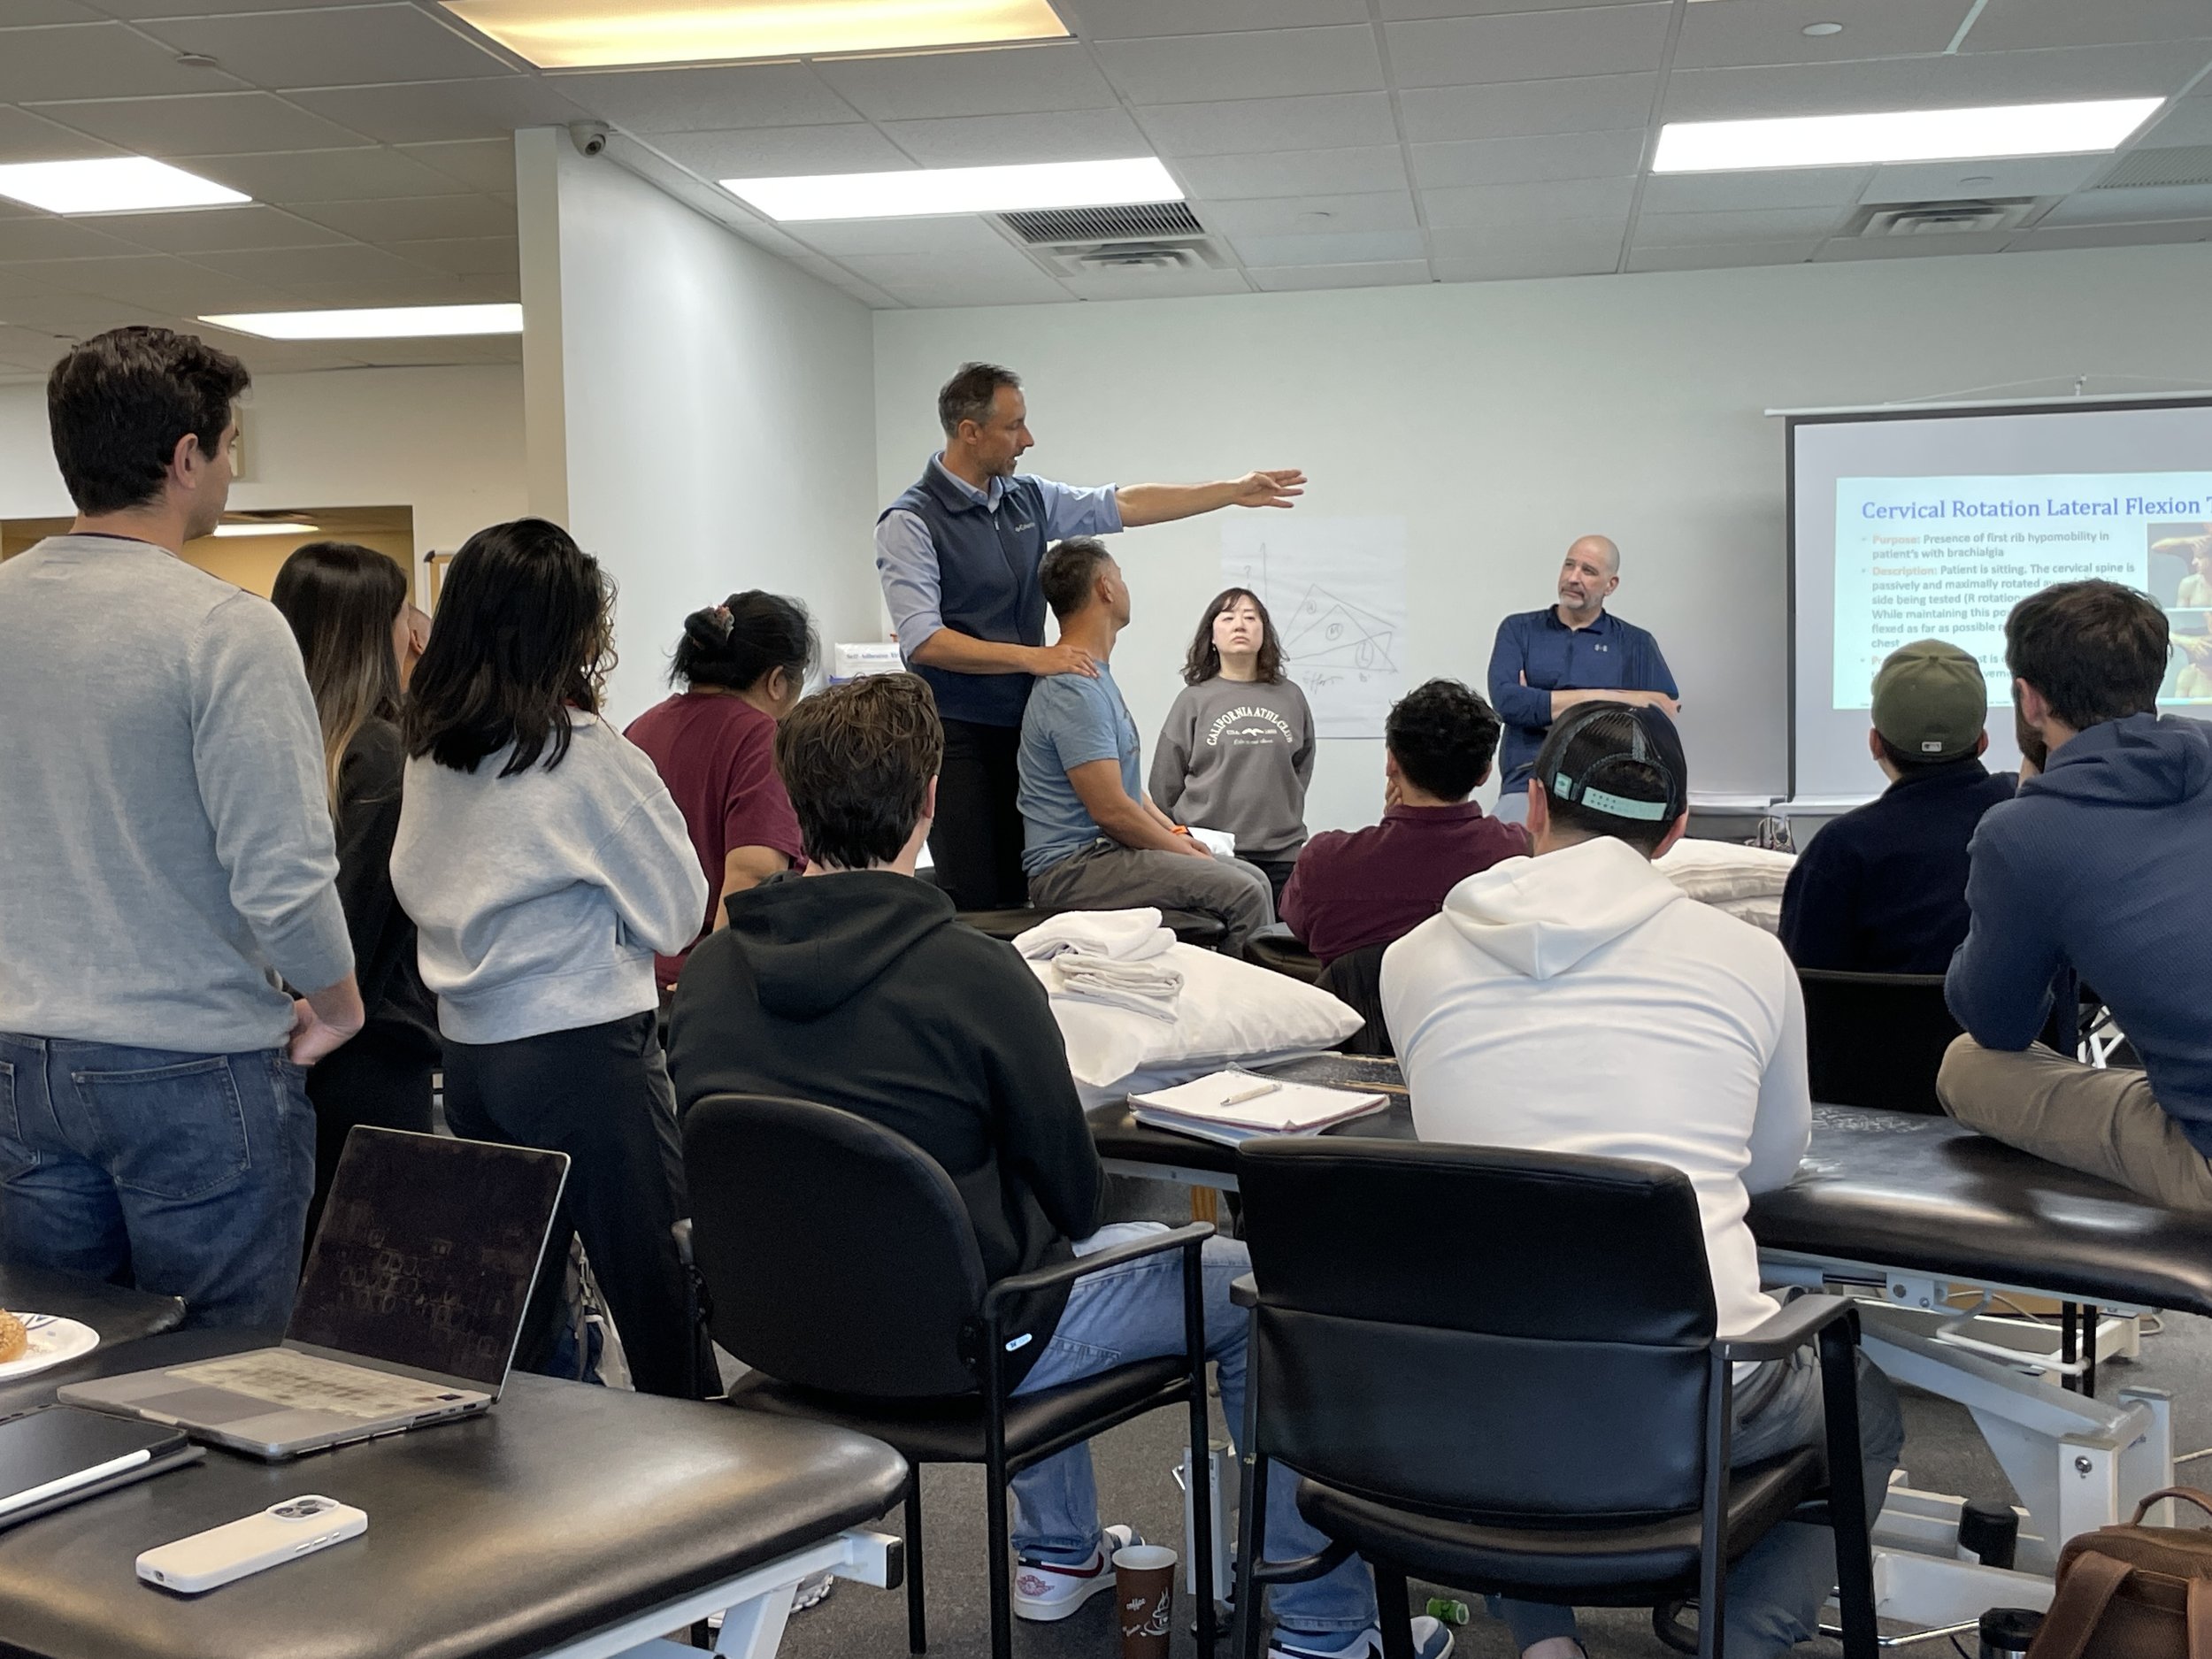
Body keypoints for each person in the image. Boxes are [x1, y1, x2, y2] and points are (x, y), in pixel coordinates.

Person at [669, 672, 1448, 1659]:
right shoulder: (973, 973)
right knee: (1256, 1289)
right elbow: (1075, 1197)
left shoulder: (705, 979)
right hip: (966, 1345)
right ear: (927, 800)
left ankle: (1060, 1554)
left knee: (1027, 1252)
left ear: (793, 802)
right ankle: (1322, 1632)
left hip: (784, 1335)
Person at [1383, 704, 1903, 1659]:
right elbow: (1773, 1162)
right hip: (1689, 1396)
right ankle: (1739, 1638)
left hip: (1469, 1391)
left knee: (1517, 1323)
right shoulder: (1750, 959)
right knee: (1860, 1406)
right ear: (1674, 831)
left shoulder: (1408, 961)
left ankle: (1543, 1643)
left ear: (1532, 804)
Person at [0, 326, 362, 1329]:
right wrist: (335, 1002)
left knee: (56, 1369)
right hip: (187, 1065)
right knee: (225, 1376)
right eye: (231, 444)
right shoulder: (226, 629)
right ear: (186, 456)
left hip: (17, 1055)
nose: (232, 468)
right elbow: (281, 867)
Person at [392, 518, 710, 1397]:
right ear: (568, 630)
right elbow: (680, 913)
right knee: (660, 1294)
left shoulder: (429, 752)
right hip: (585, 1057)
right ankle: (729, 1509)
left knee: (520, 1316)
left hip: (474, 1061)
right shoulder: (582, 754)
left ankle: (542, 1510)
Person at [877, 360, 1305, 910]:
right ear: (969, 431)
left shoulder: (1023, 497)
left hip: (1023, 719)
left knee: (1028, 895)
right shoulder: (910, 520)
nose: (1027, 440)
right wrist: (1037, 659)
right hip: (961, 738)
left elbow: (1124, 503)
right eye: (1014, 427)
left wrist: (1229, 491)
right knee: (986, 898)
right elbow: (924, 641)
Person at [1940, 580, 2212, 1210]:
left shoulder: (2024, 832)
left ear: (2030, 701)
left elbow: (1997, 1025)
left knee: (1966, 1064)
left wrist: (2027, 807)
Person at [270, 541, 442, 1248]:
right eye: (404, 613)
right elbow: (351, 931)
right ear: (376, 631)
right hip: (365, 1057)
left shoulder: (267, 746)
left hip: (280, 1048)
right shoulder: (382, 755)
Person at [1018, 540, 1277, 956]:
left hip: (1104, 854)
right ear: (1106, 588)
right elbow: (1112, 812)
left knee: (1255, 878)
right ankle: (1244, 1014)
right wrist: (1185, 852)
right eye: (1120, 577)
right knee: (1244, 891)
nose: (1125, 586)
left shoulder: (1094, 676)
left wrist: (1176, 833)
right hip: (1072, 869)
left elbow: (1127, 791)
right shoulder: (1073, 688)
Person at [1778, 639, 2016, 973]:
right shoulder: (2031, 817)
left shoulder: (1839, 850)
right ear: (1983, 741)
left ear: (1875, 743)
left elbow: (1802, 987)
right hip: (2020, 1027)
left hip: (1876, 1028)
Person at [625, 592, 813, 991]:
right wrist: (712, 981)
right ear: (777, 681)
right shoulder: (759, 737)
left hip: (638, 974)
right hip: (708, 979)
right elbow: (754, 872)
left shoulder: (641, 729)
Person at [1281, 679, 1525, 964]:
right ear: (1485, 772)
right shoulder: (1521, 856)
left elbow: (1299, 925)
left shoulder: (1323, 861)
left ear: (1391, 763)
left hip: (1358, 1008)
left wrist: (1390, 828)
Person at [1486, 534, 1678, 825]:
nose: (1573, 578)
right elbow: (1509, 703)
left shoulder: (1635, 643)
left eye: (1588, 571)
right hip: (1529, 785)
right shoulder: (1519, 629)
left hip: (1607, 790)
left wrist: (1543, 705)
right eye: (1569, 566)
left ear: (1610, 585)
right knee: (1508, 857)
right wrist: (1623, 699)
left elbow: (1663, 713)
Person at [1149, 588, 1315, 906]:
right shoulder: (1193, 700)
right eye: (1228, 617)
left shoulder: (1291, 696)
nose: (1240, 625)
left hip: (1282, 854)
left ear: (1264, 633)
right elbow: (1164, 783)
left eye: (1250, 618)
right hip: (1209, 854)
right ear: (1212, 636)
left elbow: (1301, 768)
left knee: (1275, 951)